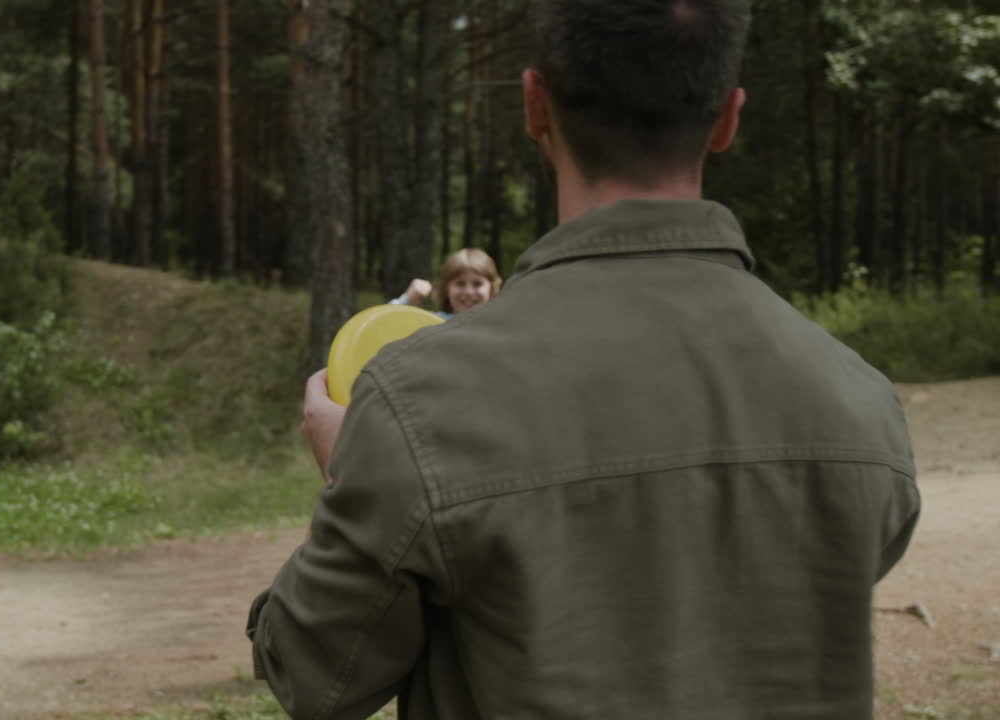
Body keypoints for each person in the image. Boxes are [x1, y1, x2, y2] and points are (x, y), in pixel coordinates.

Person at [248, 1, 920, 718]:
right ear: (728, 116)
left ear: (534, 104)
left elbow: (311, 674)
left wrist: (358, 474)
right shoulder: (860, 402)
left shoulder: (421, 402)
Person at [389, 248, 502, 318]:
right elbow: (383, 323)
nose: (469, 292)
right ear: (446, 288)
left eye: (477, 284)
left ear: (491, 288)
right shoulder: (432, 324)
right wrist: (408, 300)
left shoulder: (501, 330)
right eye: (460, 283)